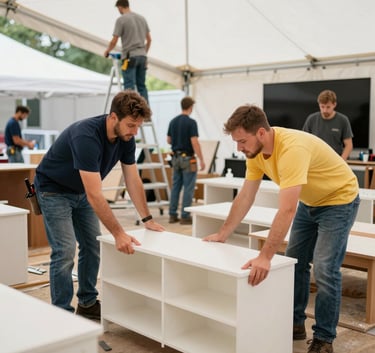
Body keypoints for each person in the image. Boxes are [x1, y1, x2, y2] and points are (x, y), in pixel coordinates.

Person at [203, 105, 359, 353]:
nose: (239, 148)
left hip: (339, 200)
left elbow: (287, 210)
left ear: (262, 133)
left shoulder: (292, 149)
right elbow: (245, 196)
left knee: (325, 268)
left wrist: (265, 256)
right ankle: (295, 324)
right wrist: (223, 233)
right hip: (311, 201)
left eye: (242, 141)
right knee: (295, 263)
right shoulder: (255, 154)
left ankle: (324, 338)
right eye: (236, 142)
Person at [34, 91, 164, 319]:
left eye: (138, 127)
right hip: (53, 190)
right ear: (113, 117)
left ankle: (87, 302)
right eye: (131, 125)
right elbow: (95, 195)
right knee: (65, 251)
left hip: (81, 191)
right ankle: (60, 314)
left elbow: (133, 180)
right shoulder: (86, 136)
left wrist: (147, 219)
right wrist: (118, 233)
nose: (134, 132)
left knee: (92, 245)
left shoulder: (126, 139)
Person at [167, 96, 205, 225]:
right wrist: (201, 159)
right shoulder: (191, 122)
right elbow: (194, 142)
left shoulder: (173, 121)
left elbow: (168, 140)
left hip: (175, 158)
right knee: (188, 188)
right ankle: (185, 216)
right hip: (188, 158)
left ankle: (172, 215)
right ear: (190, 107)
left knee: (176, 187)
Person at [104, 0, 151, 103]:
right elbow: (149, 39)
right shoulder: (142, 18)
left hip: (130, 57)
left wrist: (107, 51)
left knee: (129, 87)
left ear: (120, 7)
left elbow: (114, 40)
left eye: (118, 9)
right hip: (142, 57)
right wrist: (144, 53)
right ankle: (146, 113)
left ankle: (130, 113)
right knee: (142, 86)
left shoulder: (121, 20)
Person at [302, 90, 353, 160]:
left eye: (328, 107)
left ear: (334, 105)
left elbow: (349, 145)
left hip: (335, 160)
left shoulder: (343, 120)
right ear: (319, 104)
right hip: (315, 160)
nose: (325, 110)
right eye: (322, 107)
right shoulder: (311, 119)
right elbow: (304, 141)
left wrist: (341, 161)